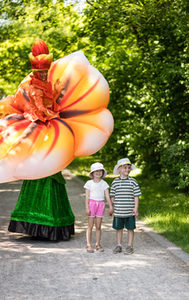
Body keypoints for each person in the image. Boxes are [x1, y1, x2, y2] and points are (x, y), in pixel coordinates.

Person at [8, 39, 75, 241]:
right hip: (40, 130)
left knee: (53, 172)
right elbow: (40, 108)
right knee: (40, 172)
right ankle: (37, 224)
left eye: (46, 71)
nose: (44, 74)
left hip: (51, 127)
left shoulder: (48, 83)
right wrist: (55, 116)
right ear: (35, 71)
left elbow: (54, 103)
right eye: (41, 72)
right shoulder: (32, 86)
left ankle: (57, 223)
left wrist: (59, 112)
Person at [8, 172, 75, 241]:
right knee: (36, 197)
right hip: (35, 170)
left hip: (48, 172)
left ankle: (43, 230)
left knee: (48, 199)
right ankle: (37, 231)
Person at [110, 158, 141, 255]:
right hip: (119, 211)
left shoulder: (133, 181)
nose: (127, 170)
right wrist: (112, 207)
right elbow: (112, 196)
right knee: (119, 228)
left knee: (130, 228)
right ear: (119, 169)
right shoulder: (115, 182)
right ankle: (119, 245)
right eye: (124, 168)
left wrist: (135, 208)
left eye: (128, 168)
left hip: (129, 211)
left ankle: (130, 246)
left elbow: (136, 196)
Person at [84, 162, 113, 253]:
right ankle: (88, 244)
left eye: (100, 171)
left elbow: (107, 196)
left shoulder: (104, 184)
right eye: (96, 171)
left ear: (102, 172)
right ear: (92, 173)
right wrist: (87, 208)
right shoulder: (89, 183)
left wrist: (111, 207)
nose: (98, 172)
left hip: (101, 204)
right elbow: (87, 197)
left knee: (98, 226)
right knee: (90, 225)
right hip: (92, 204)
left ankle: (97, 244)